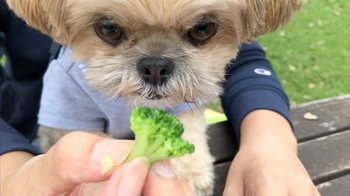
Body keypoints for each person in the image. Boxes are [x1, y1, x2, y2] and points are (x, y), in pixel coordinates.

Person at [0, 1, 320, 195]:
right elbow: (62, 139)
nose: (155, 68)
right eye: (111, 30)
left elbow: (245, 61)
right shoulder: (68, 80)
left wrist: (270, 142)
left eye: (200, 30)